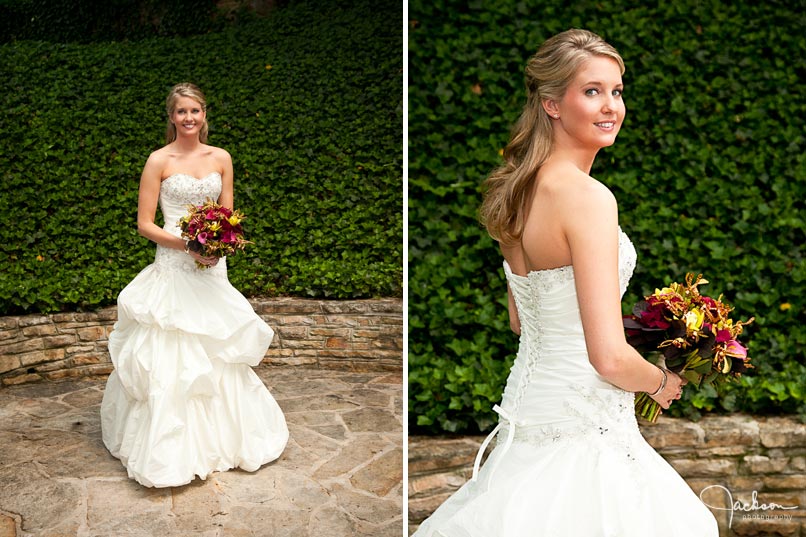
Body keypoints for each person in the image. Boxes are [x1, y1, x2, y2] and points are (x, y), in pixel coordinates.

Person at [413, 30, 718, 536]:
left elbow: (521, 319)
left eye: (617, 91)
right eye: (592, 91)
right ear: (552, 103)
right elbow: (608, 358)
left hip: (529, 406)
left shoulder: (515, 187)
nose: (611, 106)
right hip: (583, 418)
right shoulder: (589, 198)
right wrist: (663, 383)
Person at [100, 83, 288, 488]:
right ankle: (172, 449)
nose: (189, 118)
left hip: (212, 266)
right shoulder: (158, 160)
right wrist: (189, 244)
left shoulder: (221, 157)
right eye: (181, 111)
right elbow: (145, 224)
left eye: (195, 111)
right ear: (172, 117)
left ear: (205, 115)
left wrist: (221, 242)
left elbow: (229, 211)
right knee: (173, 347)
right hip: (174, 262)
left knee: (217, 344)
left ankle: (226, 440)